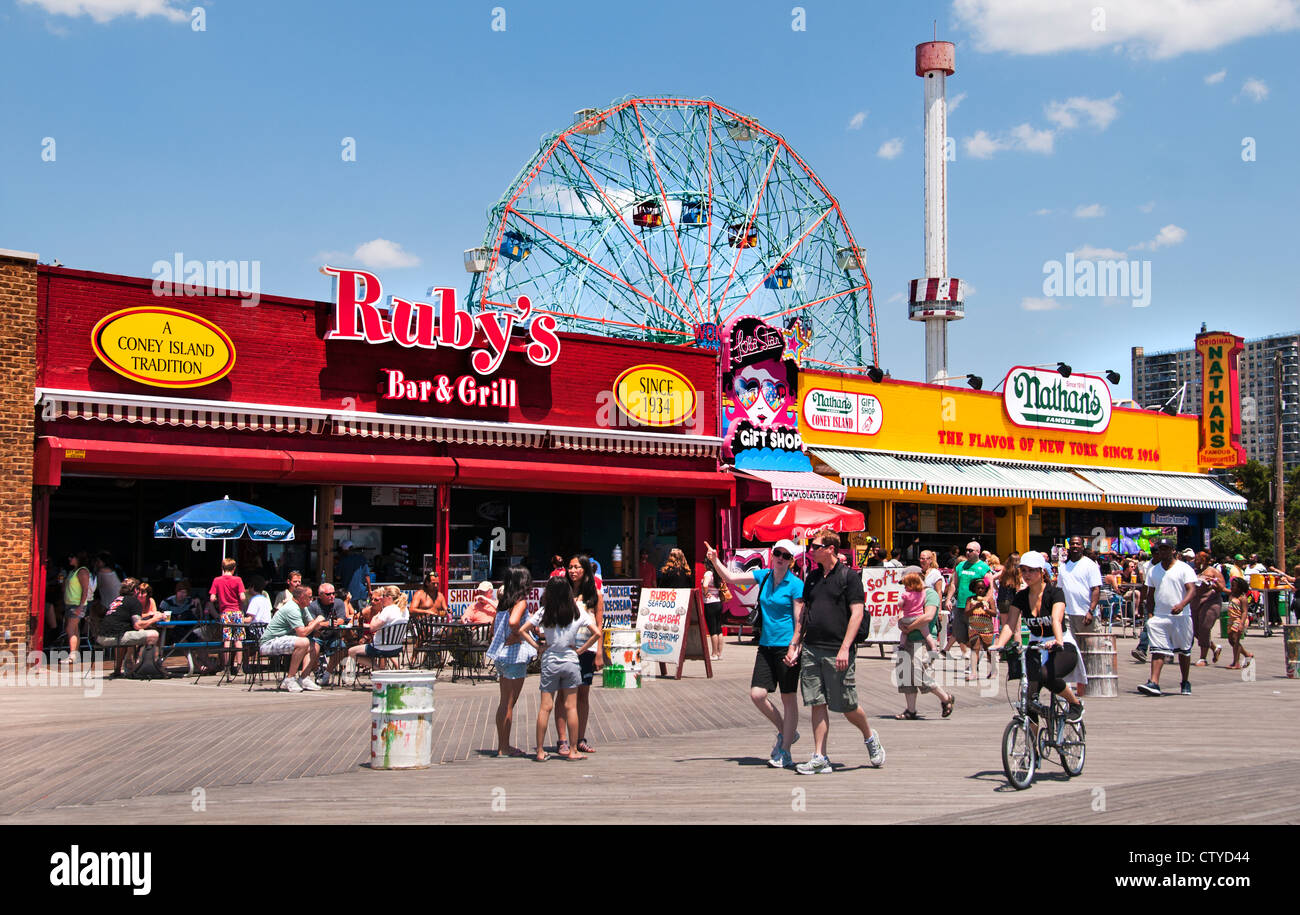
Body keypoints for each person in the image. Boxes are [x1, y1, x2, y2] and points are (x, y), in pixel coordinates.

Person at [786, 528, 885, 774]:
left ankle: (870, 736)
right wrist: (795, 643)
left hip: (837, 650)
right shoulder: (812, 577)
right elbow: (805, 613)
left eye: (816, 546)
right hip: (811, 648)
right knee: (816, 702)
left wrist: (845, 649)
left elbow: (857, 613)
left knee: (846, 705)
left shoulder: (849, 577)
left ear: (830, 548)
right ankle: (820, 756)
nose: (811, 550)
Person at [706, 539, 805, 769]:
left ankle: (786, 750)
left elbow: (799, 619)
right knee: (757, 695)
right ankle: (786, 731)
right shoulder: (765, 576)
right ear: (772, 555)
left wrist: (794, 646)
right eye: (777, 553)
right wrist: (714, 560)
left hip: (786, 646)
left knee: (788, 698)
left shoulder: (795, 584)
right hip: (766, 645)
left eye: (785, 556)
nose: (780, 558)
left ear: (791, 561)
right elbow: (731, 579)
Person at [991, 550, 1086, 722]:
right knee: (1028, 700)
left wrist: (1057, 641)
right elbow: (1010, 624)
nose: (1027, 574)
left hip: (1061, 644)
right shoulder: (1020, 596)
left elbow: (1056, 620)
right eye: (1024, 570)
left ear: (1041, 572)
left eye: (1032, 570)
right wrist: (999, 644)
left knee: (1046, 675)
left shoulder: (1055, 593)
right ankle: (1033, 745)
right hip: (1036, 646)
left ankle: (1075, 703)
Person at [518, 576, 599, 761]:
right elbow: (597, 633)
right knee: (571, 706)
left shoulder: (544, 612)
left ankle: (539, 751)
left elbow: (523, 630)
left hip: (550, 660)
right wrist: (580, 650)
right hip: (570, 659)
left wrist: (538, 646)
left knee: (545, 707)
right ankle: (573, 750)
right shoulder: (576, 611)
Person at [554, 555, 603, 755]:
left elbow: (599, 625)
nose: (572, 571)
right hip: (564, 649)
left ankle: (580, 737)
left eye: (577, 567)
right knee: (562, 694)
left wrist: (599, 652)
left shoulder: (595, 595)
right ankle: (562, 740)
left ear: (585, 570)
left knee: (583, 694)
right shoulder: (562, 593)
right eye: (570, 567)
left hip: (586, 650)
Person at [1138, 539, 1198, 696]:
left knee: (1184, 651)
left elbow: (1191, 590)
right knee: (1157, 650)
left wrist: (1182, 604)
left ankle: (1185, 681)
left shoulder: (1184, 569)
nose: (1162, 552)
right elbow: (1150, 595)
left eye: (1166, 549)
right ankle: (1154, 682)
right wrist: (1149, 615)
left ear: (1173, 551)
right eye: (1160, 549)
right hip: (1160, 616)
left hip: (1181, 617)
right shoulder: (1153, 570)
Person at [487, 567, 536, 757]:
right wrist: (520, 635)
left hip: (501, 656)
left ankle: (503, 745)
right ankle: (504, 747)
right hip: (514, 656)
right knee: (509, 703)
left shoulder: (502, 603)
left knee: (504, 703)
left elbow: (494, 628)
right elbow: (514, 622)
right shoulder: (520, 602)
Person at [894, 571, 955, 719]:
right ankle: (911, 710)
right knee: (905, 674)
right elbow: (901, 612)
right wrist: (902, 623)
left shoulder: (930, 594)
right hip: (908, 639)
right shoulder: (909, 594)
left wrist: (910, 626)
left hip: (922, 639)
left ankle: (945, 697)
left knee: (917, 672)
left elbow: (928, 616)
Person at [259, 585, 326, 692]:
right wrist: (317, 622)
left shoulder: (303, 608)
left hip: (286, 639)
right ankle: (289, 678)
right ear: (302, 598)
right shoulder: (292, 608)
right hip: (269, 643)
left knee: (314, 645)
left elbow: (312, 624)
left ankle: (304, 678)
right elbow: (302, 633)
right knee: (304, 642)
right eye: (310, 597)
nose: (312, 599)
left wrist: (317, 623)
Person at [1057, 536, 1101, 697]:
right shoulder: (1064, 567)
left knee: (1089, 650)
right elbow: (1060, 589)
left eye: (1078, 544)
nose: (1075, 546)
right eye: (1073, 544)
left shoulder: (1090, 565)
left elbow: (1096, 589)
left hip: (1085, 614)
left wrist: (1091, 610)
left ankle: (1091, 683)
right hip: (1068, 613)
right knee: (1069, 649)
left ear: (1083, 546)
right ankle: (1071, 685)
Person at [96, 579, 163, 677]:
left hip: (101, 637)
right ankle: (142, 668)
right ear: (135, 590)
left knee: (128, 634)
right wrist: (155, 619)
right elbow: (138, 624)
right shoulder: (134, 601)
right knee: (154, 634)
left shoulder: (118, 599)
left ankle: (120, 669)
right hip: (115, 637)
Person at [345, 585, 410, 672]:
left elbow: (372, 628)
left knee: (351, 651)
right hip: (397, 647)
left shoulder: (388, 610)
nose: (382, 599)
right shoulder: (404, 610)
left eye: (383, 596)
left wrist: (376, 617)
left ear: (389, 598)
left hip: (380, 647)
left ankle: (378, 670)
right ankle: (383, 670)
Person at [943, 541, 990, 661]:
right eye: (967, 550)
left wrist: (985, 601)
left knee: (974, 636)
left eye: (971, 550)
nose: (968, 552)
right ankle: (979, 652)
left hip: (975, 607)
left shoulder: (984, 567)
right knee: (959, 635)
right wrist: (948, 599)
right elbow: (954, 584)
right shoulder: (960, 566)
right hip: (960, 605)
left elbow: (990, 587)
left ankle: (974, 663)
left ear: (978, 552)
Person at [209, 558, 248, 677]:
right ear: (234, 568)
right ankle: (239, 667)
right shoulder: (238, 580)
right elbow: (242, 597)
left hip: (225, 613)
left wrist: (219, 598)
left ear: (222, 568)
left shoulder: (217, 580)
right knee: (238, 640)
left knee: (227, 640)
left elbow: (212, 598)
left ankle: (226, 668)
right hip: (237, 612)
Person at [307, 581, 351, 684]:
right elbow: (312, 624)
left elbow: (341, 619)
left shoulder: (339, 602)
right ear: (320, 595)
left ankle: (327, 673)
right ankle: (317, 671)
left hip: (333, 635)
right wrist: (328, 623)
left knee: (343, 648)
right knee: (313, 649)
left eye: (333, 593)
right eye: (328, 594)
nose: (332, 596)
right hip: (318, 636)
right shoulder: (313, 606)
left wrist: (323, 623)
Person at [1191, 551, 1225, 667]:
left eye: (1197, 560)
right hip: (1196, 603)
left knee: (1205, 628)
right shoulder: (1194, 572)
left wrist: (1213, 582)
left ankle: (1203, 658)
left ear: (1204, 561)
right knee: (1196, 630)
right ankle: (1214, 647)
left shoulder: (1213, 571)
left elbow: (1222, 588)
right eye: (1195, 560)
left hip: (1211, 602)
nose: (1195, 562)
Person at [61, 552, 94, 663]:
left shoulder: (82, 571)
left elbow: (85, 590)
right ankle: (75, 654)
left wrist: (80, 606)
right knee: (75, 630)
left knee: (70, 628)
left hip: (77, 605)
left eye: (72, 556)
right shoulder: (73, 572)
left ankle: (72, 655)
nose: (70, 558)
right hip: (70, 604)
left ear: (78, 558)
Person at [965, 577, 997, 678]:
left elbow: (994, 613)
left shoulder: (989, 599)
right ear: (974, 589)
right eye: (978, 588)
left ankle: (993, 670)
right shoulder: (970, 599)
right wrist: (974, 607)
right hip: (974, 628)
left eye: (982, 588)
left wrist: (986, 609)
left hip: (986, 628)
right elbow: (966, 613)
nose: (980, 590)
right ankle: (973, 672)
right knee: (975, 648)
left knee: (988, 649)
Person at [1224, 578, 1255, 669]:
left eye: (1234, 586)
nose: (1232, 587)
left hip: (1239, 620)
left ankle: (1236, 662)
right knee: (1231, 640)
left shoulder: (1242, 598)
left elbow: (1245, 612)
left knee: (1235, 641)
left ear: (1240, 588)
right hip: (1231, 620)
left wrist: (1241, 623)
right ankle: (1247, 654)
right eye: (1232, 585)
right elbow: (1222, 589)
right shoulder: (1232, 594)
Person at [700, 565, 727, 661]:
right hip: (718, 601)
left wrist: (705, 593)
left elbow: (705, 585)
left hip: (710, 603)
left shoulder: (708, 573)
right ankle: (719, 653)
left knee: (712, 629)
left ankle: (714, 653)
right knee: (718, 628)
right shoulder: (718, 573)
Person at [339, 541, 371, 612]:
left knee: (350, 615)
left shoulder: (343, 560)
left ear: (345, 550)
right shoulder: (362, 558)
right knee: (363, 614)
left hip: (348, 595)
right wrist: (369, 590)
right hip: (361, 593)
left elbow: (338, 576)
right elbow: (367, 576)